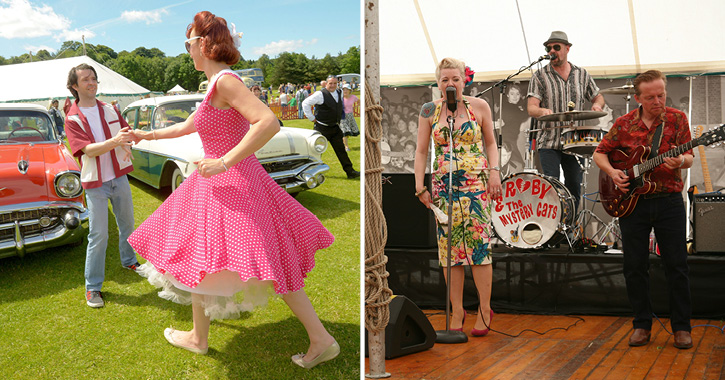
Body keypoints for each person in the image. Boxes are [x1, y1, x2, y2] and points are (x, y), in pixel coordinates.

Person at [126, 11, 339, 368]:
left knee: (270, 261)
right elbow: (189, 125)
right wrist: (146, 135)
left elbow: (268, 121)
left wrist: (224, 161)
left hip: (234, 183)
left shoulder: (226, 81)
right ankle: (198, 337)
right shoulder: (214, 85)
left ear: (205, 44)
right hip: (219, 186)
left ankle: (320, 339)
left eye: (188, 42)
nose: (187, 50)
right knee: (201, 259)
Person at [593, 70, 694, 349]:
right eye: (650, 97)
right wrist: (614, 173)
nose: (658, 101)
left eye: (661, 94)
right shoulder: (624, 123)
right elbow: (599, 152)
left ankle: (682, 328)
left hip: (669, 200)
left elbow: (689, 158)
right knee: (634, 266)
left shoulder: (677, 119)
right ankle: (641, 324)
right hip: (632, 204)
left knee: (677, 265)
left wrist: (680, 162)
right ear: (637, 98)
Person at [414, 57, 502, 336]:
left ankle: (485, 309)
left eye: (455, 79)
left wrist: (495, 172)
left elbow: (490, 143)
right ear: (437, 83)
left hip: (476, 185)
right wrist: (420, 185)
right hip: (444, 190)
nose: (449, 84)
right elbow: (420, 151)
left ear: (464, 80)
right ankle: (456, 309)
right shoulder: (429, 109)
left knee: (478, 248)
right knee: (450, 253)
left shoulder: (480, 107)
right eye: (444, 79)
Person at [63, 63, 141, 308]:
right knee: (99, 235)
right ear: (75, 86)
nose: (92, 82)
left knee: (127, 223)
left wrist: (125, 145)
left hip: (118, 177)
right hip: (95, 183)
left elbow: (124, 132)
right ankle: (93, 287)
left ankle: (129, 260)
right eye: (86, 79)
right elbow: (88, 150)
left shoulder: (109, 108)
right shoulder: (72, 117)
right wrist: (115, 141)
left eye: (94, 78)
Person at [527, 31, 605, 208]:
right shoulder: (539, 75)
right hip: (549, 141)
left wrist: (597, 105)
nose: (551, 51)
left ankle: (572, 230)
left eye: (556, 47)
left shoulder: (581, 74)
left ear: (567, 49)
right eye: (549, 48)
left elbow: (598, 97)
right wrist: (541, 111)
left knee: (574, 188)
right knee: (551, 188)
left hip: (575, 141)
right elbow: (531, 108)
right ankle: (554, 230)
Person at [302, 75, 360, 178]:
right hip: (321, 128)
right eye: (330, 83)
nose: (332, 85)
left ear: (337, 83)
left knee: (341, 150)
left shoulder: (339, 92)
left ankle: (350, 172)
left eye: (335, 83)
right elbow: (305, 103)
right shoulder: (320, 94)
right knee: (316, 151)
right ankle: (311, 173)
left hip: (335, 127)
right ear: (326, 84)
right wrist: (312, 118)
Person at [340, 84, 360, 151]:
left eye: (346, 89)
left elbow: (359, 101)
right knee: (345, 132)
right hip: (342, 116)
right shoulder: (340, 98)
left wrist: (355, 107)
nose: (345, 91)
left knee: (348, 132)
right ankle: (346, 146)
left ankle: (343, 143)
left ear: (349, 90)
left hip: (350, 116)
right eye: (343, 89)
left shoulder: (353, 97)